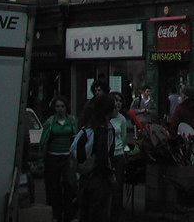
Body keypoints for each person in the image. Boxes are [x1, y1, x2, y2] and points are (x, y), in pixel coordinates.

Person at [37, 94, 78, 222]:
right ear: (54, 108)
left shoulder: (71, 121)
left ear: (66, 108)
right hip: (52, 157)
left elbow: (76, 139)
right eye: (58, 106)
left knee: (70, 185)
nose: (60, 109)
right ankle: (55, 214)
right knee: (53, 187)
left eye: (62, 106)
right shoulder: (50, 122)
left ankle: (70, 214)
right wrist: (40, 160)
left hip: (67, 157)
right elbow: (43, 142)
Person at [76, 92, 116, 222]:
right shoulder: (106, 129)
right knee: (97, 213)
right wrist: (110, 174)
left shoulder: (89, 125)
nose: (117, 108)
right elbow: (103, 155)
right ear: (107, 110)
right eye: (114, 106)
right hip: (98, 178)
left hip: (85, 175)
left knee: (85, 212)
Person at [109, 92, 129, 222]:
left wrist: (121, 148)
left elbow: (123, 137)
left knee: (118, 185)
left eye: (120, 100)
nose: (118, 103)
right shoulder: (107, 118)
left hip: (118, 154)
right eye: (116, 100)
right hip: (108, 155)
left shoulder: (122, 119)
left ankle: (117, 213)